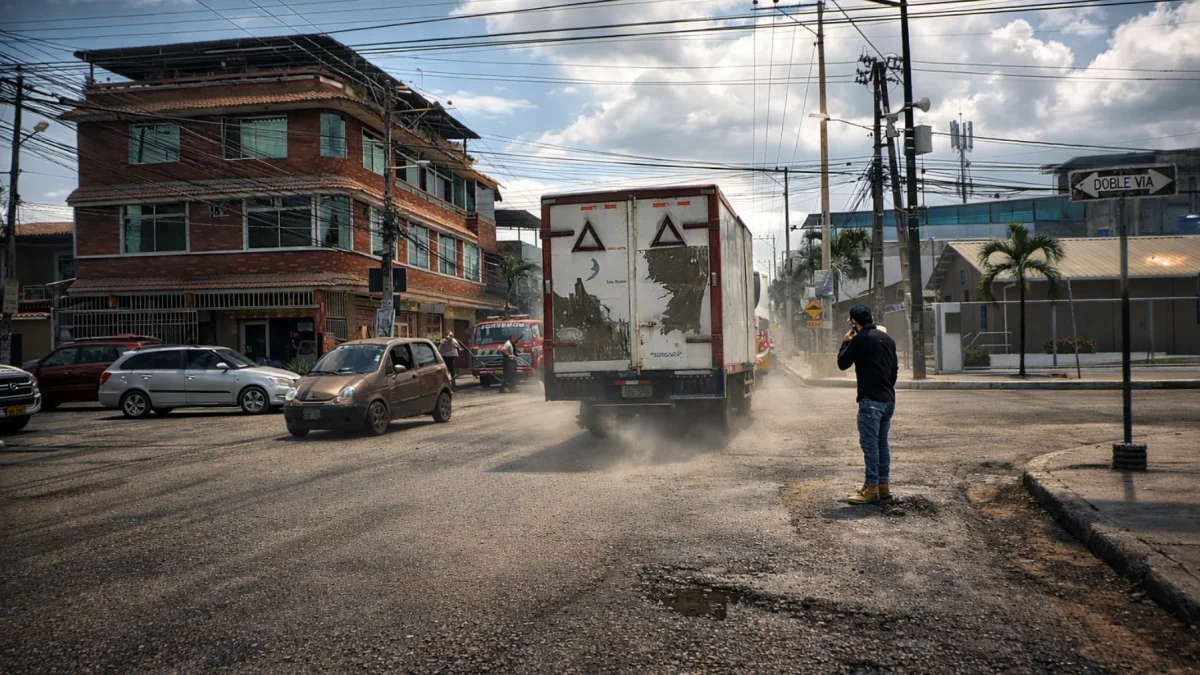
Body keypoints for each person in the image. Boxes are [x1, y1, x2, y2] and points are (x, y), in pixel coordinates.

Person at [836, 304, 899, 505]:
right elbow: (894, 370)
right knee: (882, 444)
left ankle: (871, 489)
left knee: (870, 446)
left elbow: (842, 363)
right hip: (888, 399)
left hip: (870, 401)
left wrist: (845, 343)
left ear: (854, 323)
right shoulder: (887, 339)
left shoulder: (859, 340)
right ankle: (883, 486)